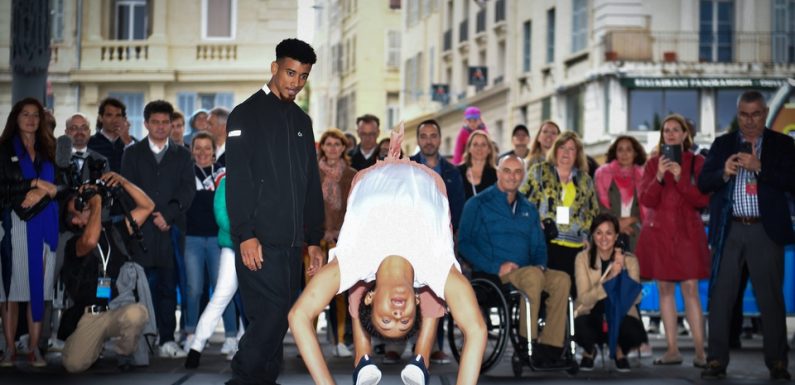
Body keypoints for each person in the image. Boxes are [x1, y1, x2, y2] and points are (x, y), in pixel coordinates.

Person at [288, 147, 486, 385]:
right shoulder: (435, 266)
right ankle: (419, 358)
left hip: (369, 178)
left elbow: (298, 315)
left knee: (352, 280)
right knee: (442, 288)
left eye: (386, 321)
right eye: (404, 322)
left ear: (370, 299)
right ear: (416, 303)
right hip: (428, 180)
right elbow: (476, 330)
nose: (397, 315)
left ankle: (363, 356)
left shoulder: (356, 260)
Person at [224, 38, 324, 385]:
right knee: (274, 315)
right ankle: (241, 379)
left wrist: (314, 240)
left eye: (303, 76)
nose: (296, 83)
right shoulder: (244, 115)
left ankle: (263, 380)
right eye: (290, 73)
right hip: (259, 240)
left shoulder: (302, 120)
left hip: (293, 244)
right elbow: (238, 182)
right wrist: (246, 234)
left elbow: (310, 183)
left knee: (273, 318)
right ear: (275, 68)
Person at [698, 91, 793, 380]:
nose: (749, 120)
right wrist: (723, 173)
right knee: (720, 297)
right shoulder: (722, 144)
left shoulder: (783, 144)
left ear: (765, 114)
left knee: (770, 299)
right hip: (729, 229)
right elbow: (703, 183)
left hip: (765, 229)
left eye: (755, 114)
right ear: (737, 114)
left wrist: (760, 168)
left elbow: (792, 181)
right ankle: (716, 360)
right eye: (743, 114)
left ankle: (777, 362)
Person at [458, 155, 571, 369]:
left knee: (561, 280)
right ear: (498, 172)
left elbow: (539, 247)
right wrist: (495, 266)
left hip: (528, 272)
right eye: (507, 171)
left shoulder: (528, 208)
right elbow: (464, 244)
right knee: (533, 276)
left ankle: (551, 346)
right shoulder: (477, 204)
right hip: (492, 275)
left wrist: (540, 264)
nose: (512, 176)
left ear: (523, 176)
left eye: (518, 171)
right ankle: (528, 341)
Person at [58, 172, 155, 372]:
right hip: (91, 315)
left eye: (84, 203)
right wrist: (96, 201)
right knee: (73, 365)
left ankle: (123, 352)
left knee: (137, 313)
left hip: (117, 309)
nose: (86, 204)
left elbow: (148, 207)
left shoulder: (115, 231)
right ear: (75, 221)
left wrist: (123, 181)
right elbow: (91, 240)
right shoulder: (73, 244)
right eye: (80, 206)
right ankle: (89, 345)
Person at [120, 100, 195, 359]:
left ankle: (166, 339)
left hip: (171, 231)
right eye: (156, 122)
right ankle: (142, 339)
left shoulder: (183, 154)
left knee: (167, 287)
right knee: (141, 287)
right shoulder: (132, 154)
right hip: (141, 232)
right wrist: (149, 215)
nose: (161, 127)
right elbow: (126, 189)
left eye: (166, 122)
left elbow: (188, 190)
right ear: (146, 124)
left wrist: (170, 215)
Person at [635, 113, 709, 368]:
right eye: (666, 130)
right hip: (659, 234)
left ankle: (701, 352)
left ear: (685, 134)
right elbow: (645, 200)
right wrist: (658, 177)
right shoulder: (653, 163)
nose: (670, 134)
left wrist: (679, 179)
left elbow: (703, 199)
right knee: (665, 290)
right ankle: (672, 350)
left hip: (687, 234)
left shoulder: (697, 162)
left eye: (676, 129)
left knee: (690, 290)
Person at [0, 98, 59, 367]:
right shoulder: (3, 150)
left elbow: (60, 187)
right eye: (26, 114)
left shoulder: (50, 150)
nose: (31, 119)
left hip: (45, 225)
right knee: (11, 290)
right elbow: (3, 190)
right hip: (14, 224)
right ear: (16, 117)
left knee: (40, 289)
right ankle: (10, 349)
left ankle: (34, 348)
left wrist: (42, 194)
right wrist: (33, 183)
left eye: (36, 115)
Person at [410, 119, 466, 364]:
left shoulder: (453, 172)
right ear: (418, 139)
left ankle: (435, 345)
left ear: (440, 139)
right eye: (424, 136)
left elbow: (458, 209)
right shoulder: (408, 167)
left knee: (437, 291)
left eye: (433, 135)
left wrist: (451, 239)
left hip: (442, 242)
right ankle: (407, 343)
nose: (429, 140)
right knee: (410, 291)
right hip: (413, 239)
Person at [520, 131, 598, 297]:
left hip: (575, 247)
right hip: (545, 242)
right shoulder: (539, 172)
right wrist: (534, 222)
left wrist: (586, 235)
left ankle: (566, 324)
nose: (566, 152)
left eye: (572, 149)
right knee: (544, 293)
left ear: (578, 154)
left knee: (570, 294)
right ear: (555, 150)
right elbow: (523, 201)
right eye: (562, 147)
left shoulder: (585, 179)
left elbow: (591, 211)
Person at [181, 132, 236, 356]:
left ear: (214, 151)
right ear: (191, 150)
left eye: (207, 148)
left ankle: (231, 336)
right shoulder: (185, 173)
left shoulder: (224, 174)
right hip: (192, 238)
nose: (202, 152)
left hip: (218, 240)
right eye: (198, 148)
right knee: (193, 288)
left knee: (222, 289)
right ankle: (191, 333)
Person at [573, 213, 647, 372]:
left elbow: (636, 297)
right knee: (579, 326)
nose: (604, 238)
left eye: (609, 233)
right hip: (592, 313)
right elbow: (584, 298)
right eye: (599, 233)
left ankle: (620, 350)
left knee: (634, 331)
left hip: (620, 314)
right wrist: (610, 279)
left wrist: (623, 273)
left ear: (616, 236)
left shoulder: (630, 260)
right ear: (592, 235)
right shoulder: (582, 259)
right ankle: (589, 351)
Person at [185, 174, 245, 368]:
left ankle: (245, 347)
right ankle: (196, 346)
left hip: (258, 247)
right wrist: (246, 234)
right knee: (221, 295)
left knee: (254, 300)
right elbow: (220, 213)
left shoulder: (264, 177)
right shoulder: (227, 181)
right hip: (233, 247)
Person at [315, 128, 357, 358]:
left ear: (343, 148)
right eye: (328, 144)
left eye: (337, 144)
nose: (332, 148)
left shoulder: (352, 175)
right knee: (313, 291)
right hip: (315, 240)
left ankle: (340, 340)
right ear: (322, 147)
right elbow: (306, 207)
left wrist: (339, 232)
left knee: (340, 293)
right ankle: (309, 342)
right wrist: (319, 233)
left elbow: (356, 209)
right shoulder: (311, 172)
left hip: (342, 240)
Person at [593, 135, 647, 252]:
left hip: (636, 233)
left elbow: (648, 209)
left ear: (635, 153)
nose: (624, 154)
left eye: (628, 149)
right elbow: (597, 206)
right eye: (620, 150)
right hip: (607, 233)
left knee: (634, 268)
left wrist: (631, 220)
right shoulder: (602, 175)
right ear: (615, 153)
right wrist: (617, 223)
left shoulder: (644, 177)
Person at [88, 97, 134, 173]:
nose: (114, 120)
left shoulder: (133, 143)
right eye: (109, 115)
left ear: (124, 119)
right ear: (100, 118)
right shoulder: (89, 143)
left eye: (118, 115)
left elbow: (142, 168)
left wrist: (127, 141)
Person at [457, 130, 497, 201]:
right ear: (469, 148)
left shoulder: (497, 175)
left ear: (489, 150)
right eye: (475, 144)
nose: (479, 148)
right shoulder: (457, 172)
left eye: (483, 145)